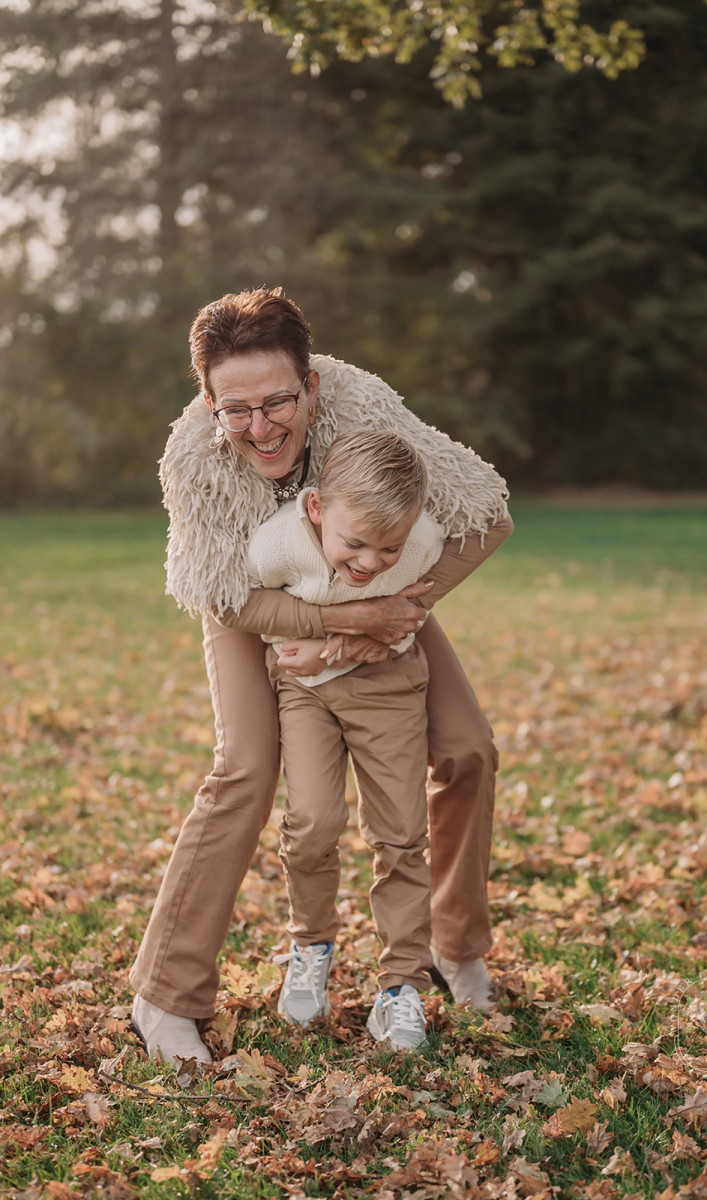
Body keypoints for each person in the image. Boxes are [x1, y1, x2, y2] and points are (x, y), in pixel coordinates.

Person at [129, 285, 512, 1065]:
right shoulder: (193, 460)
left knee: (468, 746)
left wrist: (389, 611)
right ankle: (163, 995)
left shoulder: (365, 410)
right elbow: (224, 596)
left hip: (375, 587)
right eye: (236, 409)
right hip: (252, 602)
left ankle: (452, 947)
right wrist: (341, 626)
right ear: (208, 402)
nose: (260, 427)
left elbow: (487, 515)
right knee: (245, 768)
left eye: (277, 401)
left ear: (310, 384)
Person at [250, 430, 446, 1051]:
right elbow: (239, 604)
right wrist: (323, 636)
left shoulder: (424, 541)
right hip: (306, 690)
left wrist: (350, 643)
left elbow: (426, 589)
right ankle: (310, 946)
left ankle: (401, 985)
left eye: (389, 549)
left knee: (402, 831)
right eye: (354, 543)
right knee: (312, 820)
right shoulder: (276, 545)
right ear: (315, 508)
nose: (369, 563)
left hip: (388, 685)